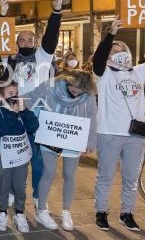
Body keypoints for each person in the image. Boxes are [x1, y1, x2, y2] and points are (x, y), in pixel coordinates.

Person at [92, 16, 145, 233]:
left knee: (131, 177)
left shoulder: (138, 72)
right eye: (113, 48)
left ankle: (126, 213)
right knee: (105, 175)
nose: (117, 50)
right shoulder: (103, 75)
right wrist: (110, 35)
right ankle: (101, 212)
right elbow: (99, 59)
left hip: (135, 135)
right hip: (109, 132)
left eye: (120, 47)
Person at [0, 0, 64, 208]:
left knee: (37, 160)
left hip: (39, 113)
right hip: (14, 112)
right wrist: (3, 14)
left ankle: (37, 195)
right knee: (13, 155)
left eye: (30, 39)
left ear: (36, 42)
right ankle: (11, 191)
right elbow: (0, 36)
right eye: (22, 39)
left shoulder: (43, 56)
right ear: (16, 42)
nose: (26, 41)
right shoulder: (9, 57)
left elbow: (52, 35)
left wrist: (56, 11)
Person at [26, 70, 97, 231]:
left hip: (73, 137)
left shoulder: (89, 96)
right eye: (73, 89)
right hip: (50, 135)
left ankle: (66, 211)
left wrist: (90, 141)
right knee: (48, 172)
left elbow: (92, 117)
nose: (76, 93)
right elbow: (31, 98)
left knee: (69, 174)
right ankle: (42, 210)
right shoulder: (51, 86)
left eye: (80, 92)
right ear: (67, 82)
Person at [0, 80, 39, 233]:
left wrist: (24, 112)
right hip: (3, 157)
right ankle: (2, 212)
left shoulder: (22, 111)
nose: (14, 97)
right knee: (3, 184)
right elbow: (1, 130)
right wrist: (12, 113)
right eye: (10, 94)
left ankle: (19, 213)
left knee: (19, 186)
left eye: (16, 94)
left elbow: (33, 126)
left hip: (20, 157)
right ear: (0, 95)